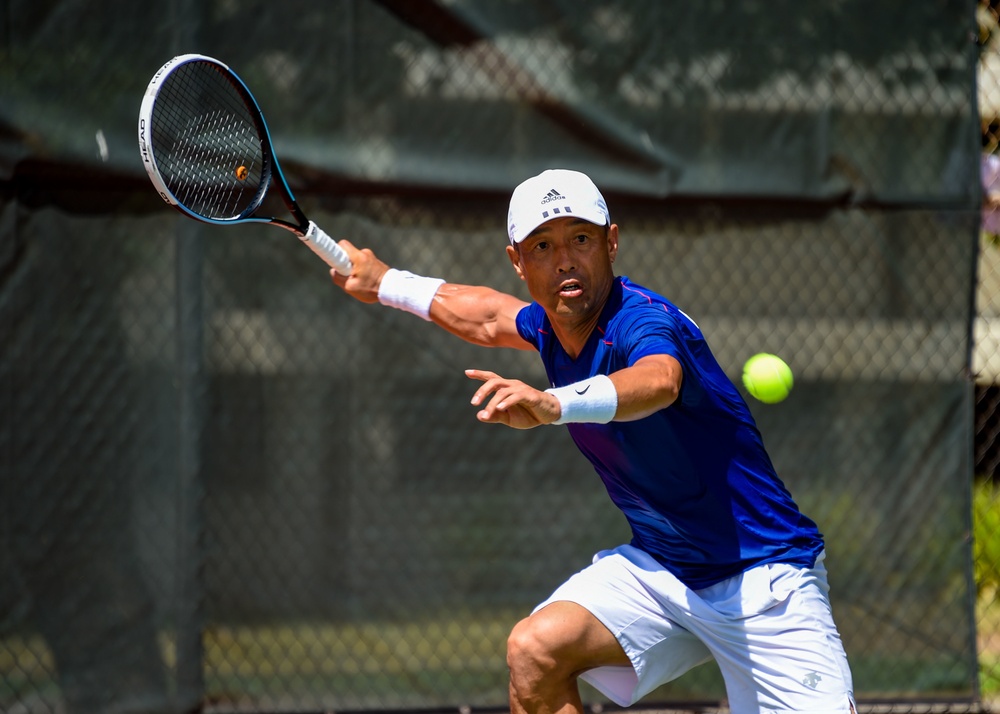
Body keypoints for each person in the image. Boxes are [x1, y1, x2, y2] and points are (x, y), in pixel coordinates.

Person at [331, 169, 855, 714]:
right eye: (543, 246)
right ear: (518, 261)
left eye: (580, 239)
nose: (564, 260)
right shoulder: (550, 326)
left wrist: (553, 405)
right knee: (535, 650)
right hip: (665, 570)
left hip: (764, 581)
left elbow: (660, 381)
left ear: (611, 242)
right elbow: (488, 315)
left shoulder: (641, 320)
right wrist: (385, 281)